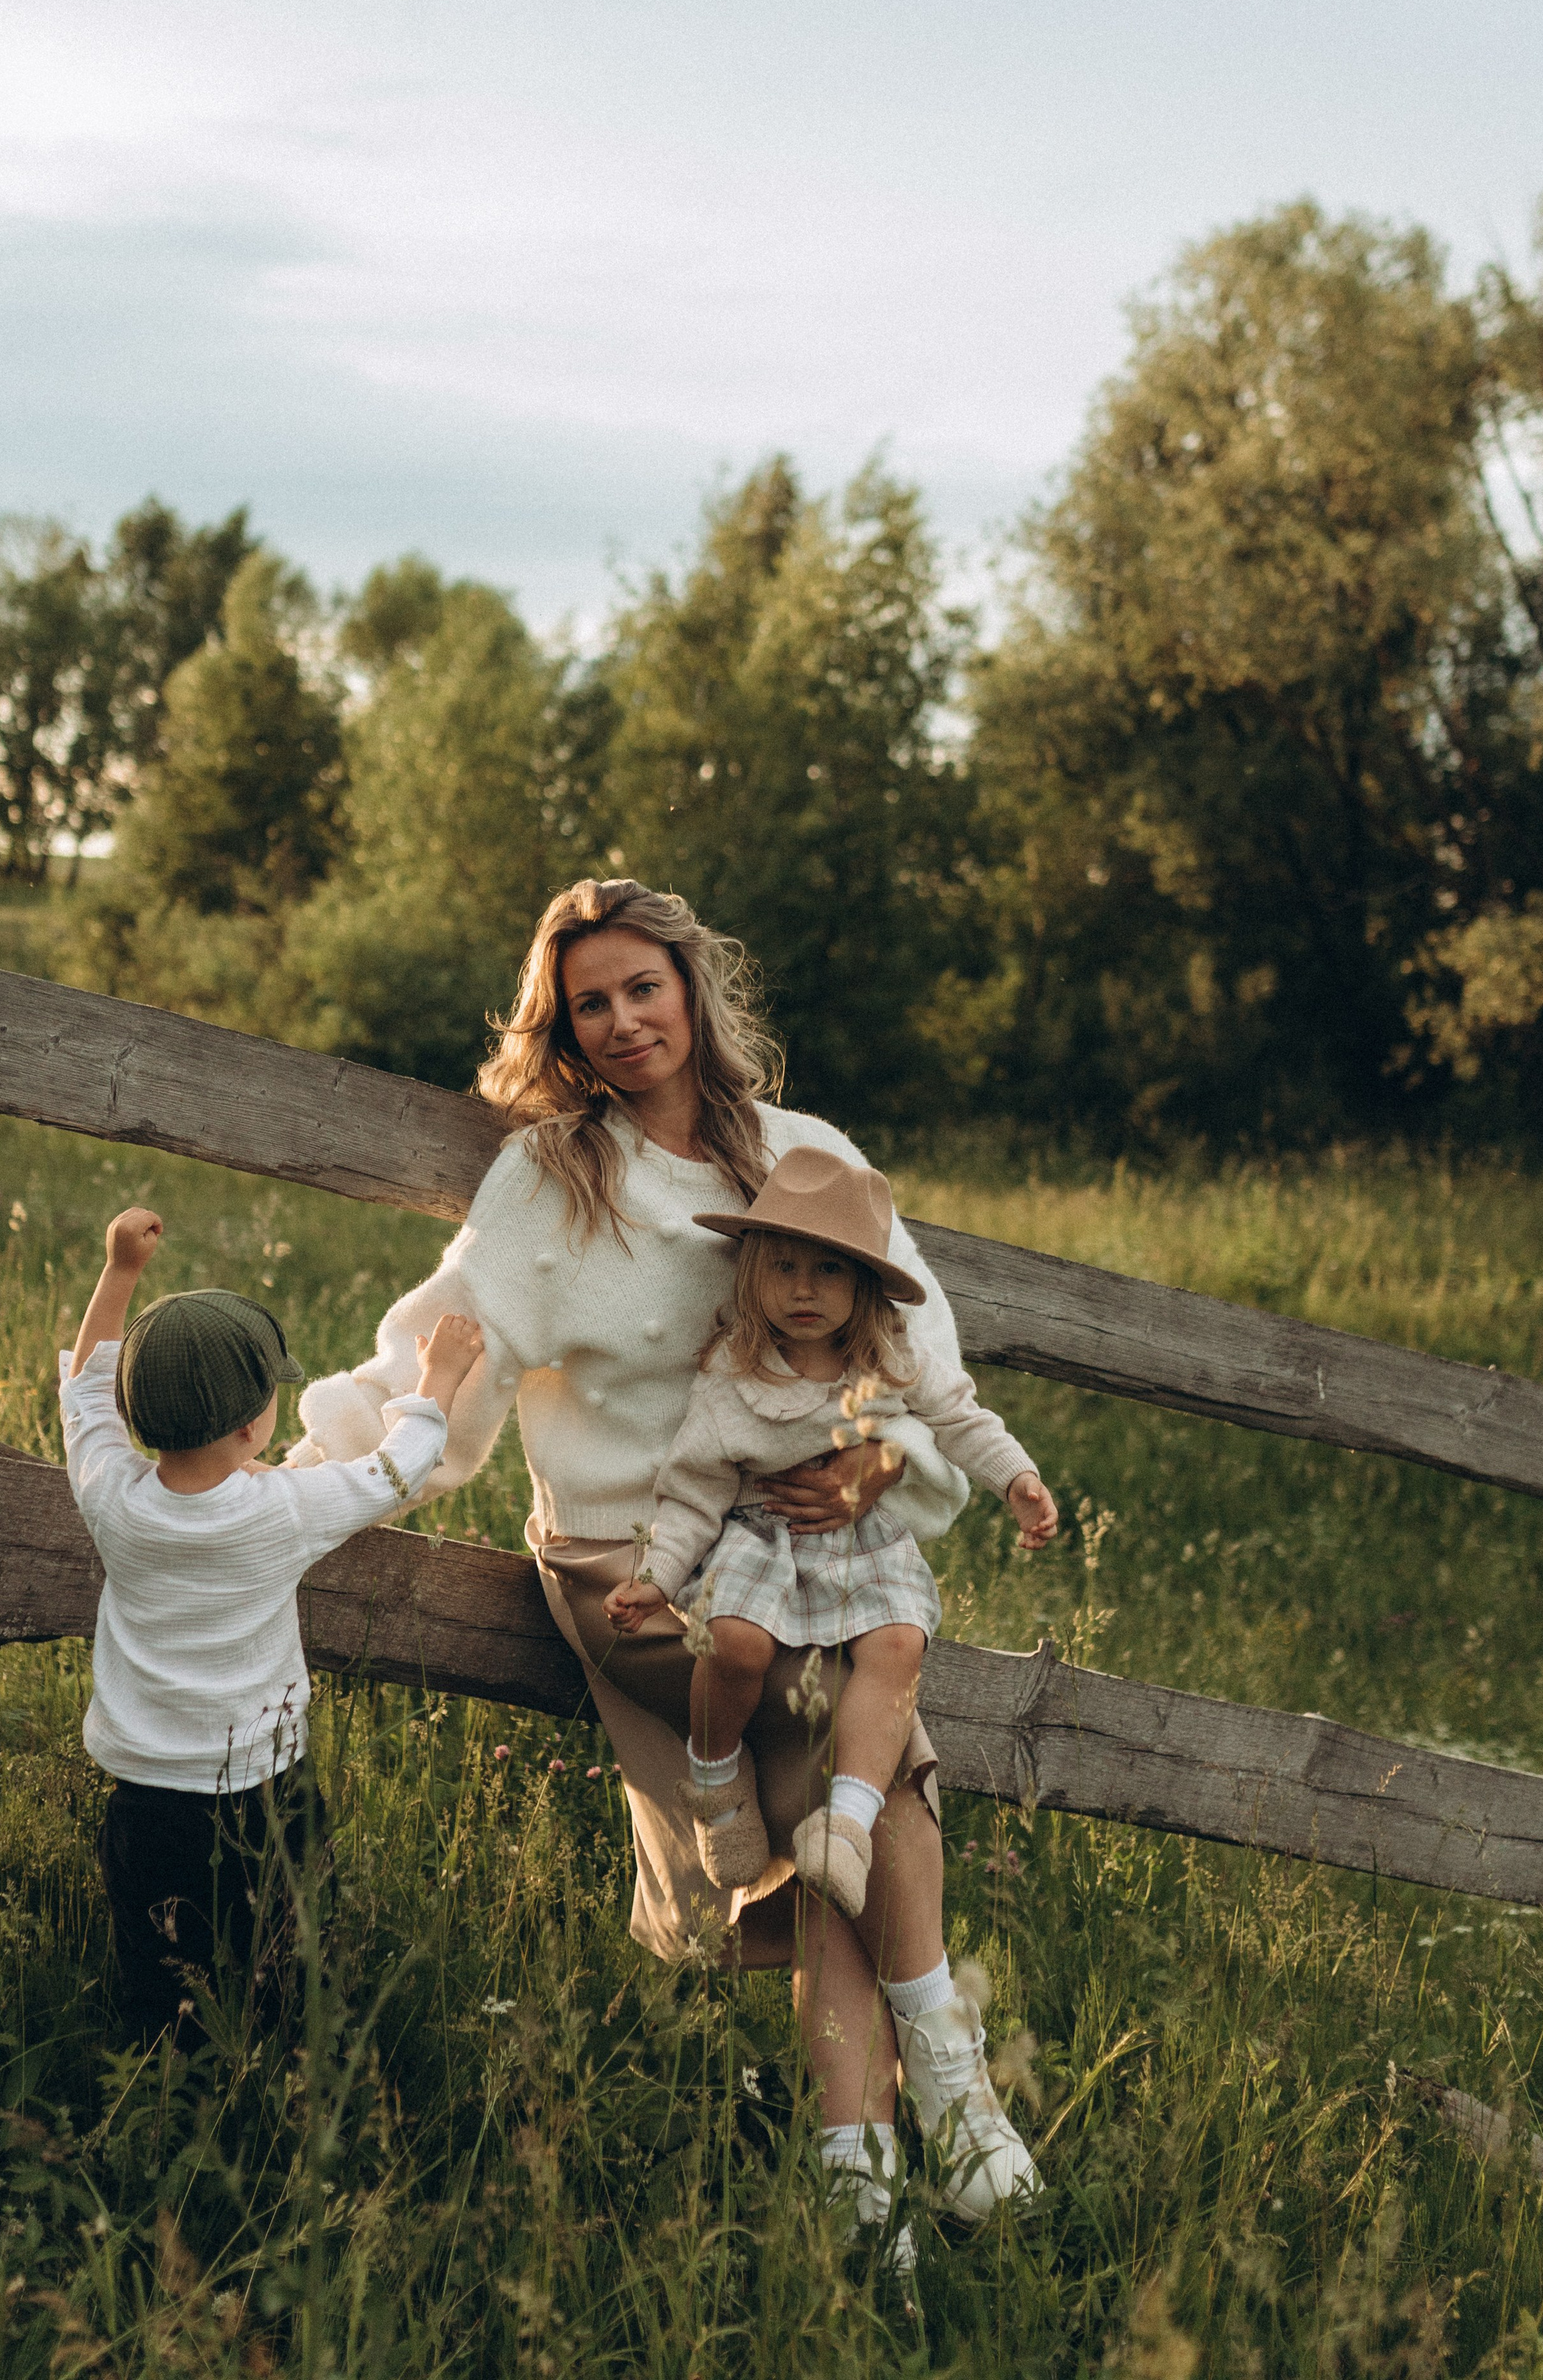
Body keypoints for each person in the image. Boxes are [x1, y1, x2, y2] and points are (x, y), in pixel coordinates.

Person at [290, 878, 1060, 2234]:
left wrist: (884, 1462)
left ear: (692, 992)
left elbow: (916, 1351)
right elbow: (440, 1345)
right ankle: (951, 2087)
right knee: (853, 1752)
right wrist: (298, 1487)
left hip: (796, 1550)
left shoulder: (804, 1156)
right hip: (624, 1565)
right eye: (590, 1002)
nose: (624, 1018)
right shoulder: (553, 1181)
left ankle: (873, 2173)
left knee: (847, 1817)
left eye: (642, 986)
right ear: (566, 1035)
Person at [61, 1202, 483, 2045]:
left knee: (158, 1969)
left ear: (134, 1411)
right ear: (256, 1424)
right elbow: (397, 1470)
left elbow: (82, 1389)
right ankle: (285, 2066)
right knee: (288, 1949)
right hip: (264, 1788)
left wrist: (118, 1272)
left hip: (144, 1797)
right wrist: (437, 1378)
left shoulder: (108, 1494)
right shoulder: (284, 1508)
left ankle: (166, 2090)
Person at [602, 1146, 1050, 1927]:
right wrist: (657, 1573)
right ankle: (713, 1780)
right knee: (734, 1643)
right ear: (751, 1274)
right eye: (783, 1267)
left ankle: (846, 1823)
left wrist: (1017, 1480)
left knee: (898, 1645)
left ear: (866, 1285)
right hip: (760, 1535)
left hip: (861, 1540)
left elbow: (962, 1422)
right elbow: (693, 1491)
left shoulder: (891, 1358)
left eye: (830, 1271)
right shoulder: (734, 1372)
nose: (804, 1290)